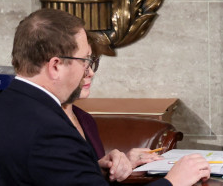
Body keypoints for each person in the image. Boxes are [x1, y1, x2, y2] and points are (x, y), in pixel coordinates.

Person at [0, 7, 211, 186]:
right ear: (56, 66)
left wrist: (92, 168)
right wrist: (174, 181)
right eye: (85, 60)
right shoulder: (51, 133)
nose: (88, 70)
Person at [62, 32, 162, 181]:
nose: (90, 73)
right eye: (83, 64)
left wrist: (120, 165)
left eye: (91, 64)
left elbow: (90, 176)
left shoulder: (85, 119)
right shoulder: (47, 122)